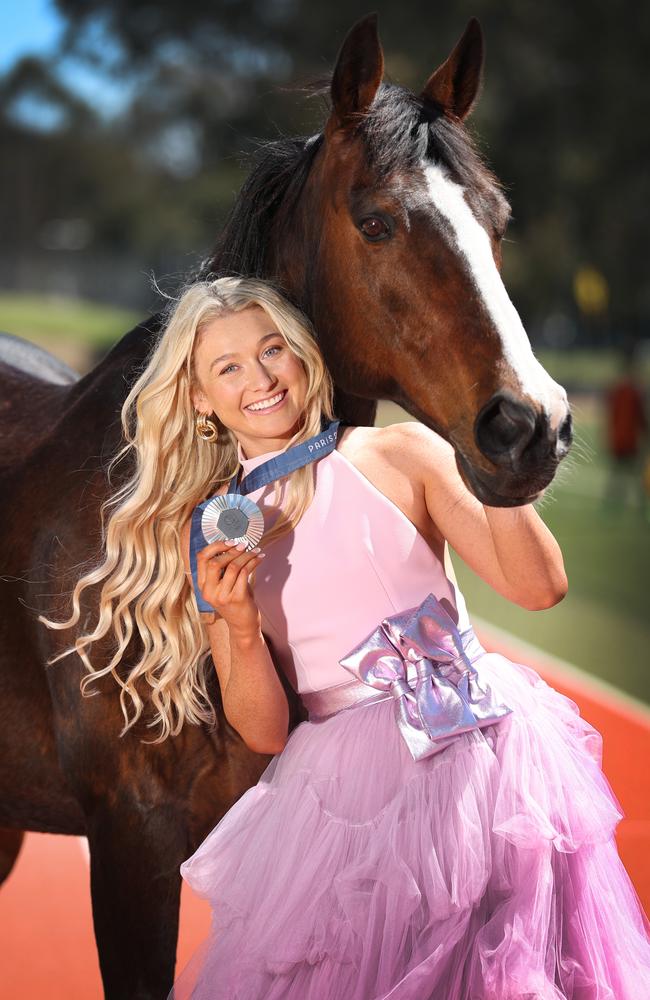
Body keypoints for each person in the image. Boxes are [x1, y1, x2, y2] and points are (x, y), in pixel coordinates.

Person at [44, 276, 650, 998]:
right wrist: (237, 626)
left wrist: (501, 472)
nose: (260, 378)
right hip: (346, 798)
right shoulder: (212, 528)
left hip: (485, 761)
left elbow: (538, 587)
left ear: (304, 355)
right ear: (201, 399)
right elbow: (265, 731)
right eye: (228, 367)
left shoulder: (400, 454)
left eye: (274, 350)